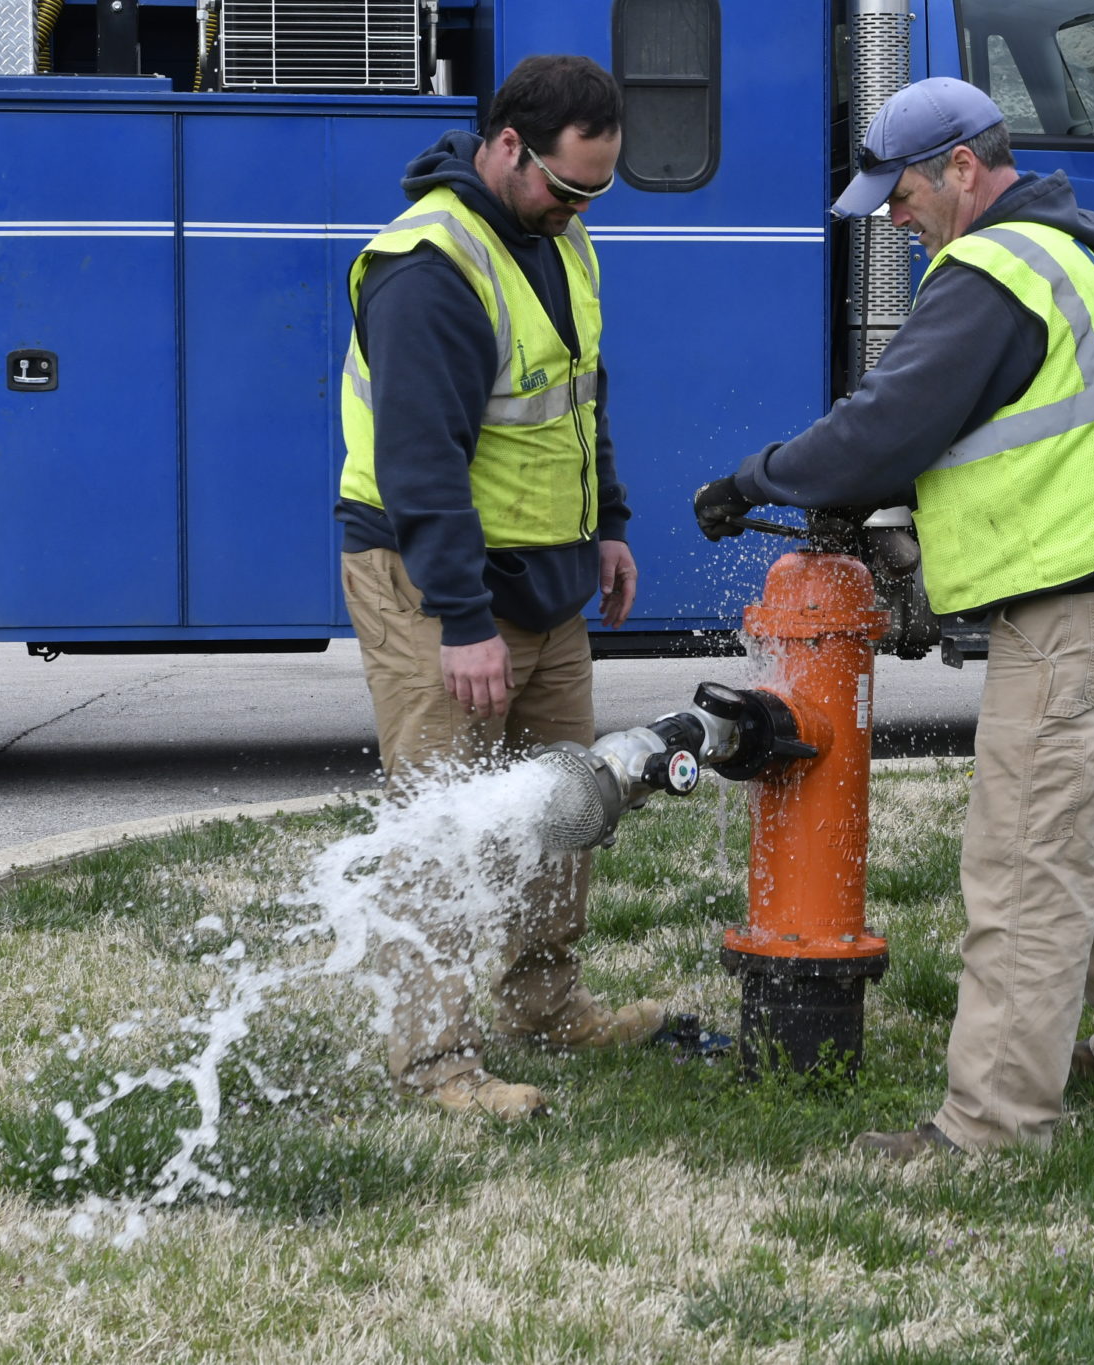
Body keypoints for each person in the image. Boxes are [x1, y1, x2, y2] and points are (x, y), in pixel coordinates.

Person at [694, 77, 1094, 1156]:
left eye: (901, 192)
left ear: (963, 170)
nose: (891, 216)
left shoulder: (986, 272)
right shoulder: (1065, 255)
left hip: (1074, 608)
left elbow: (884, 427)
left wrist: (754, 480)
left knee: (1026, 861)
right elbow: (990, 439)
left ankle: (991, 1128)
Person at [336, 54, 662, 1122]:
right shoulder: (429, 266)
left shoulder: (559, 242)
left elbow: (584, 395)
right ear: (507, 146)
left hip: (547, 579)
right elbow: (420, 462)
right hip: (438, 588)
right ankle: (434, 1065)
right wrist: (462, 623)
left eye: (593, 196)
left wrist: (605, 526)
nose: (575, 212)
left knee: (568, 805)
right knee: (442, 828)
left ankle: (542, 1002)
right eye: (564, 189)